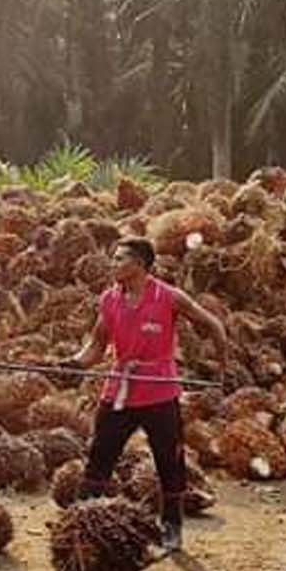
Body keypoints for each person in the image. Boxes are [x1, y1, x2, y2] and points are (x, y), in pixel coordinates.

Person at [67, 236, 227, 554]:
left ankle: (172, 527)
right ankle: (81, 521)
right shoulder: (110, 300)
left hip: (159, 392)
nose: (113, 263)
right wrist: (74, 362)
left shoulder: (168, 296)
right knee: (99, 457)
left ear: (139, 265)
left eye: (119, 258)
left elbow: (214, 326)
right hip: (120, 391)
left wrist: (220, 368)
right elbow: (97, 346)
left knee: (169, 461)